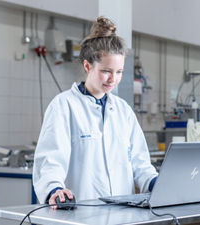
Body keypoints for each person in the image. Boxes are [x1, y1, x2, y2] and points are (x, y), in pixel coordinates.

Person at [32, 16, 158, 209]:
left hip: (123, 215)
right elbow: (50, 161)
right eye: (106, 71)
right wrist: (54, 190)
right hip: (80, 214)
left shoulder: (123, 110)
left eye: (119, 72)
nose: (113, 79)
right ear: (87, 66)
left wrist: (154, 182)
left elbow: (140, 164)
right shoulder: (64, 106)